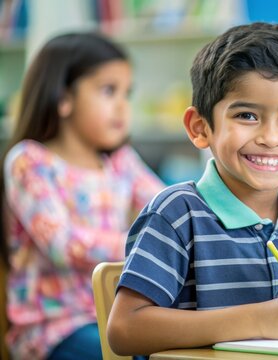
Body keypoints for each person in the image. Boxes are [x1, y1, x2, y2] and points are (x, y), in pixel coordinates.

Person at [107, 22, 278, 356]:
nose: (270, 137)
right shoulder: (176, 214)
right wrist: (259, 319)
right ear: (200, 127)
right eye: (247, 115)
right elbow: (124, 330)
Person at [0, 33, 164, 360]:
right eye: (108, 91)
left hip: (115, 315)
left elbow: (166, 207)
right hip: (54, 329)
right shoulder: (30, 161)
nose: (122, 106)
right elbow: (64, 245)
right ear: (63, 98)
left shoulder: (119, 161)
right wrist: (146, 245)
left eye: (126, 94)